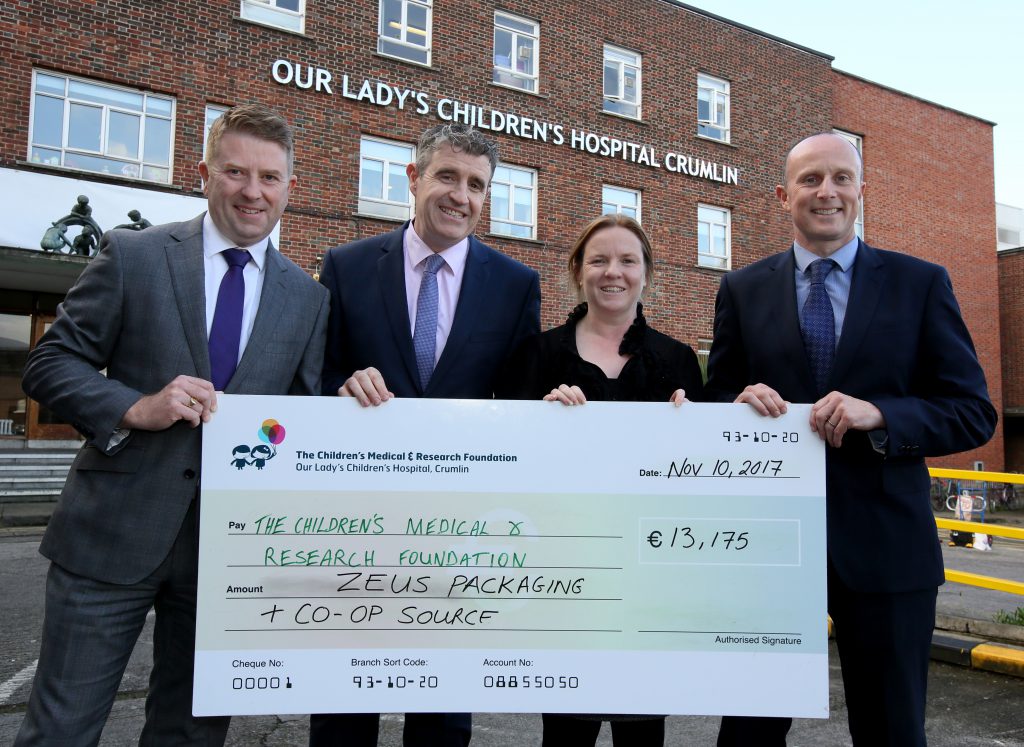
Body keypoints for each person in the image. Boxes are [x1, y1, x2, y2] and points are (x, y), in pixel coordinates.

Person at [16, 103, 329, 746]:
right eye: (236, 171)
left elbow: (301, 419)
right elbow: (50, 363)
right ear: (204, 174)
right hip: (111, 537)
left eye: (270, 177)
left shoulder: (308, 295)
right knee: (62, 729)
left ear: (290, 188)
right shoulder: (134, 254)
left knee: (189, 733)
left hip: (227, 555)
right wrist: (133, 406)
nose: (252, 190)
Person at [706, 132, 996, 746]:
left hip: (888, 552)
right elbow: (715, 404)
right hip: (770, 552)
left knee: (891, 732)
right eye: (810, 180)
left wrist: (883, 415)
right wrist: (734, 406)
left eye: (841, 177)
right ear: (784, 196)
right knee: (747, 734)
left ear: (863, 190)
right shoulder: (741, 289)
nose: (827, 192)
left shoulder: (921, 284)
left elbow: (973, 413)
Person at [311, 123, 541, 747]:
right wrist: (341, 385)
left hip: (458, 530)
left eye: (476, 185)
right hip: (355, 520)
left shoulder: (517, 284)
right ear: (413, 179)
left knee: (441, 707)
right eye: (447, 176)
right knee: (342, 700)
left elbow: (520, 403)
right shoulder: (349, 266)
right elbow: (316, 373)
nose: (460, 195)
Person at [499, 213, 703, 745]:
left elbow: (700, 481)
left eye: (627, 260)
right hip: (562, 574)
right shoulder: (536, 355)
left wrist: (691, 431)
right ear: (578, 271)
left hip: (649, 579)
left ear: (646, 273)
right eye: (599, 260)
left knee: (644, 732)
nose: (614, 272)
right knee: (565, 732)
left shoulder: (678, 360)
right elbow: (505, 463)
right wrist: (539, 422)